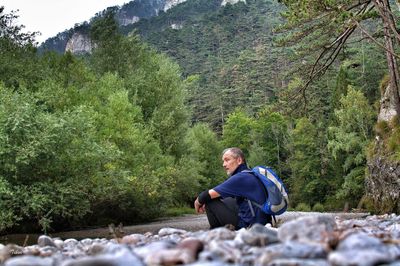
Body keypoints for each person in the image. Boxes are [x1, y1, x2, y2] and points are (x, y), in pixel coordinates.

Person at [194, 147, 272, 229]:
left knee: (210, 202)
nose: (223, 164)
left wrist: (197, 202)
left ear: (239, 160)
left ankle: (215, 232)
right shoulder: (249, 174)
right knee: (227, 199)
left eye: (227, 160)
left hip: (249, 225)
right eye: (223, 161)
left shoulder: (240, 177)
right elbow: (220, 194)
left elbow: (206, 195)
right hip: (262, 222)